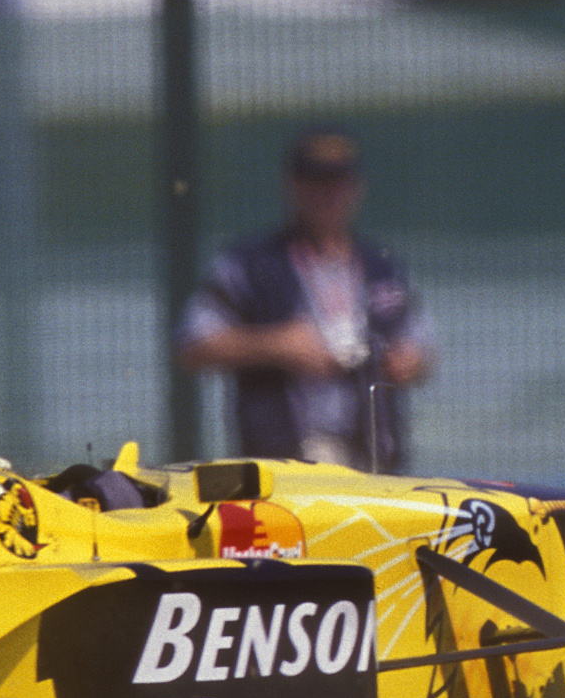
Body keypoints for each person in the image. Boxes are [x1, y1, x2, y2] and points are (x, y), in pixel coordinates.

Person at [175, 128, 435, 471]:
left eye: (337, 180)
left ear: (356, 187)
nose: (327, 193)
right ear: (292, 184)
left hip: (372, 463)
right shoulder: (249, 265)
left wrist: (408, 361)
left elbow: (423, 348)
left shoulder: (382, 267)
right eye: (315, 180)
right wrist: (277, 344)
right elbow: (193, 344)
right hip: (284, 468)